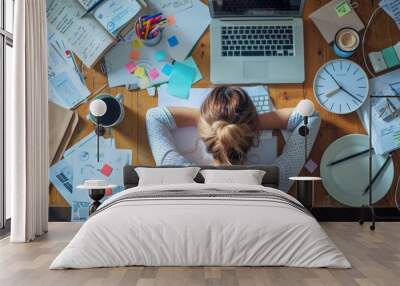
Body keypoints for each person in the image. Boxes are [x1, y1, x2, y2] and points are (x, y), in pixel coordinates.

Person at [146, 86, 321, 192]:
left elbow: (154, 116)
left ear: (205, 133)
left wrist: (208, 120)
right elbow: (310, 115)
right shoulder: (276, 182)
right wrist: (251, 123)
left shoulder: (179, 177)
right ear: (254, 136)